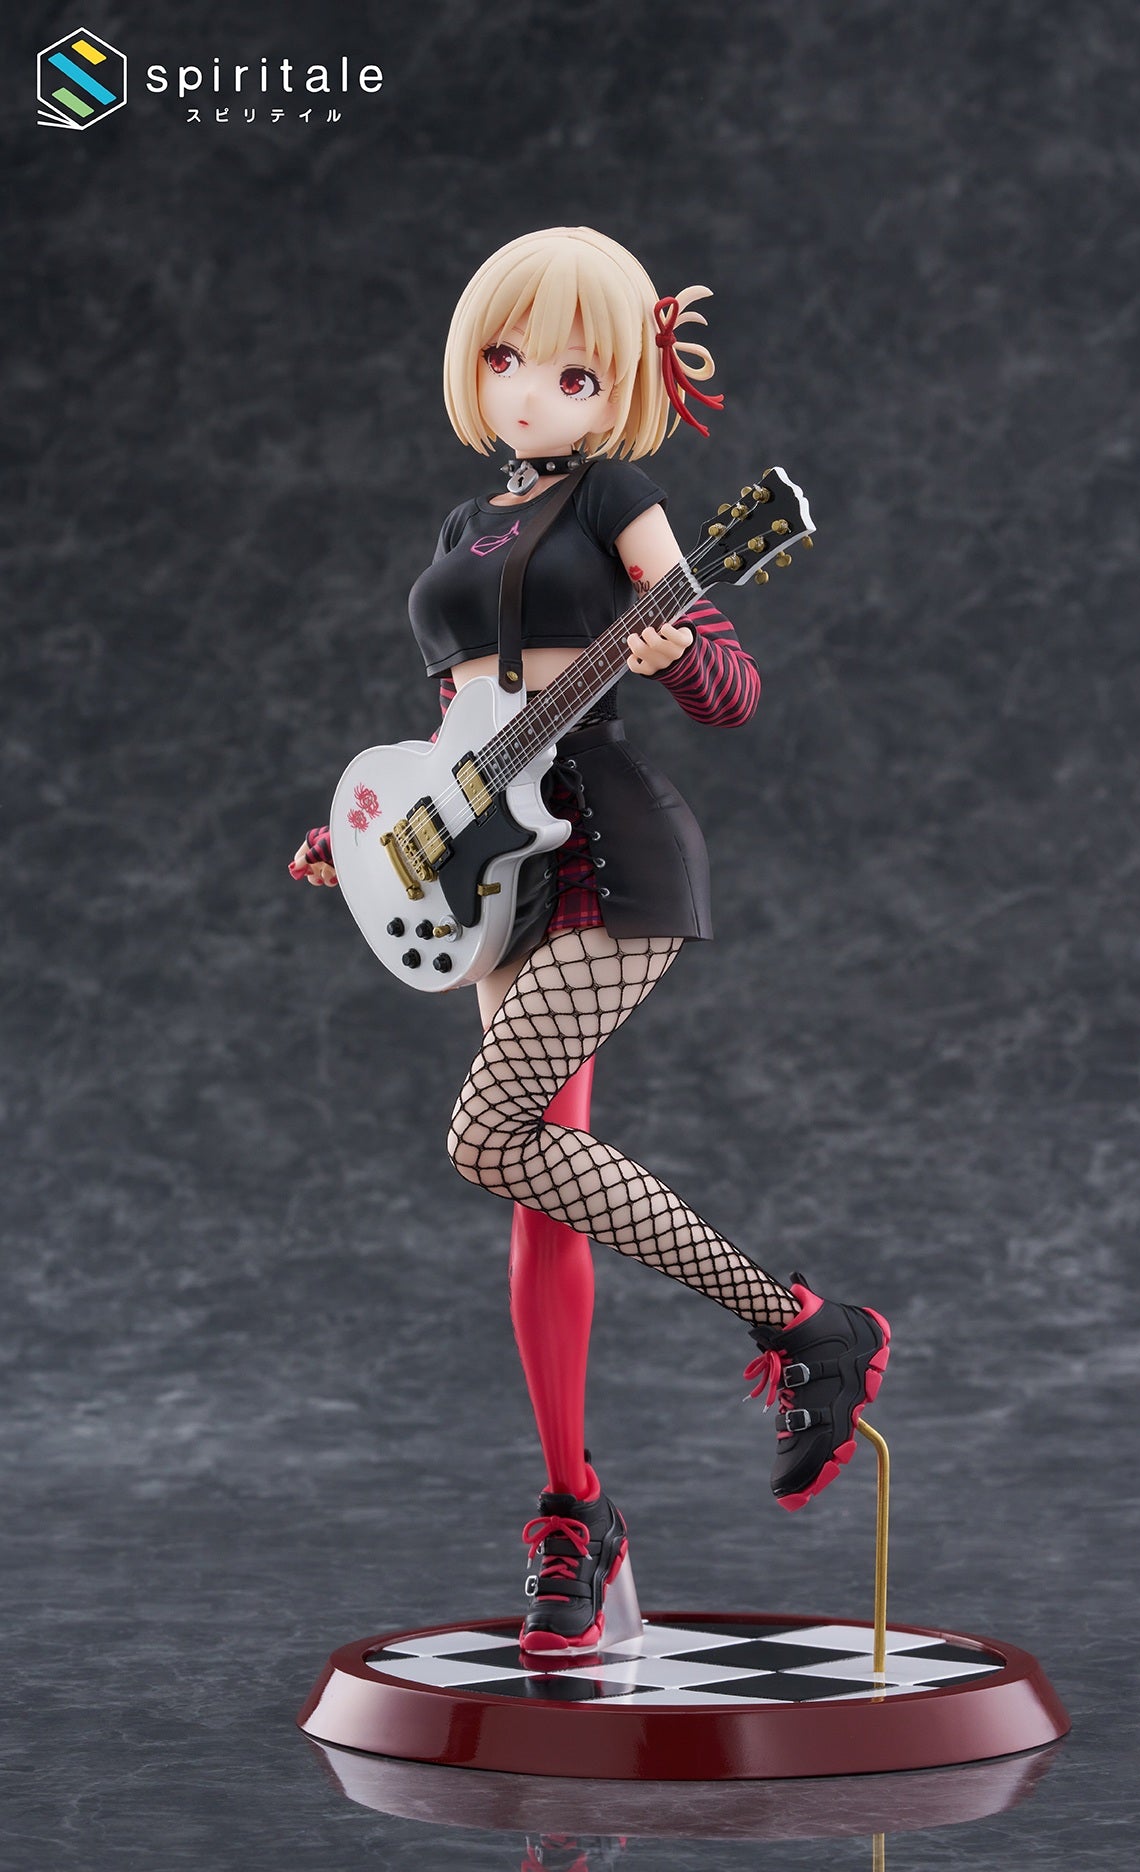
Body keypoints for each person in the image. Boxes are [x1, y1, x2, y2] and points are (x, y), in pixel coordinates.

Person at [291, 227, 890, 1656]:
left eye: (572, 371)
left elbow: (731, 685)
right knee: (535, 1185)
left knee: (489, 1137)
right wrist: (374, 842)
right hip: (486, 873)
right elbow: (457, 728)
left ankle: (803, 1320)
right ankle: (575, 1513)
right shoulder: (466, 524)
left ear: (621, 383)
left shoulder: (619, 494)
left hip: (608, 856)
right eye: (506, 358)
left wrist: (683, 652)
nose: (531, 390)